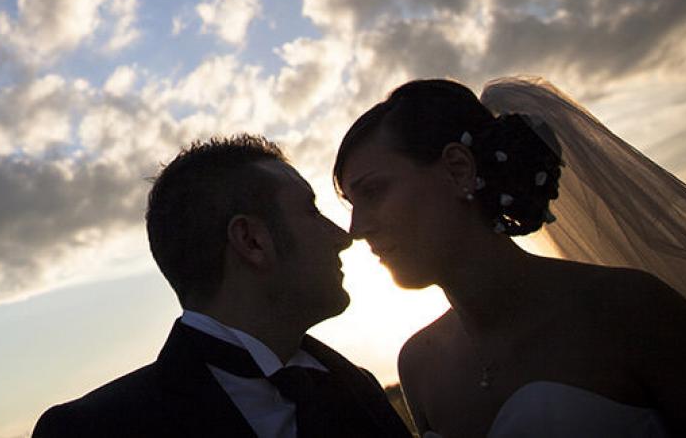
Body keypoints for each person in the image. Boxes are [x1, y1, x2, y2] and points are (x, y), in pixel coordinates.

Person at [334, 78, 686, 438]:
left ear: (458, 169)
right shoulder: (417, 364)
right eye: (352, 204)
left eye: (373, 192)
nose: (356, 229)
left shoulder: (629, 309)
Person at [34, 135, 410, 437]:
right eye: (311, 211)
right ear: (252, 241)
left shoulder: (357, 389)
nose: (342, 237)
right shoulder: (91, 430)